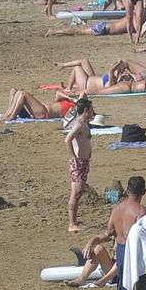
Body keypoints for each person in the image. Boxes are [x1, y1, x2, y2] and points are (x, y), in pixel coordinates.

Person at [64, 98, 94, 235]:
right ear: (86, 110)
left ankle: (74, 221)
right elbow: (67, 139)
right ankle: (72, 224)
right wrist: (73, 158)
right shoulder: (79, 125)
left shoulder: (84, 123)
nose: (93, 111)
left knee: (79, 192)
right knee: (75, 193)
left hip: (83, 162)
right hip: (79, 162)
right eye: (91, 109)